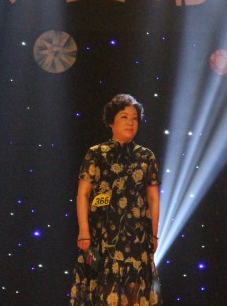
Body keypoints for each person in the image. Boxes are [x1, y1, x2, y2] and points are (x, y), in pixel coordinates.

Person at [70, 94, 162, 305]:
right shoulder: (96, 154)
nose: (130, 122)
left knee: (136, 291)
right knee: (104, 291)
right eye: (124, 117)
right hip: (102, 235)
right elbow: (83, 194)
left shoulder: (146, 156)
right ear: (111, 122)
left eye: (134, 118)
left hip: (137, 237)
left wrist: (153, 235)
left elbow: (153, 197)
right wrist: (84, 231)